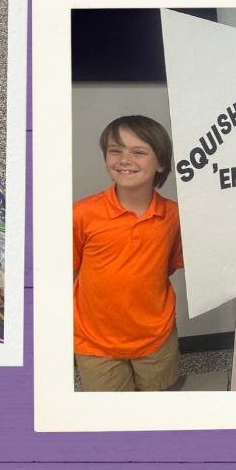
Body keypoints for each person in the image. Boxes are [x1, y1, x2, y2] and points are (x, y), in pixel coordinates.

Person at [72, 115, 185, 392]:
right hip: (94, 341)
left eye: (138, 151)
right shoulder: (82, 214)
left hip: (156, 336)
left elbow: (165, 267)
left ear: (160, 163)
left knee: (157, 406)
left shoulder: (174, 216)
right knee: (113, 417)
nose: (125, 159)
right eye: (115, 150)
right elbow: (71, 270)